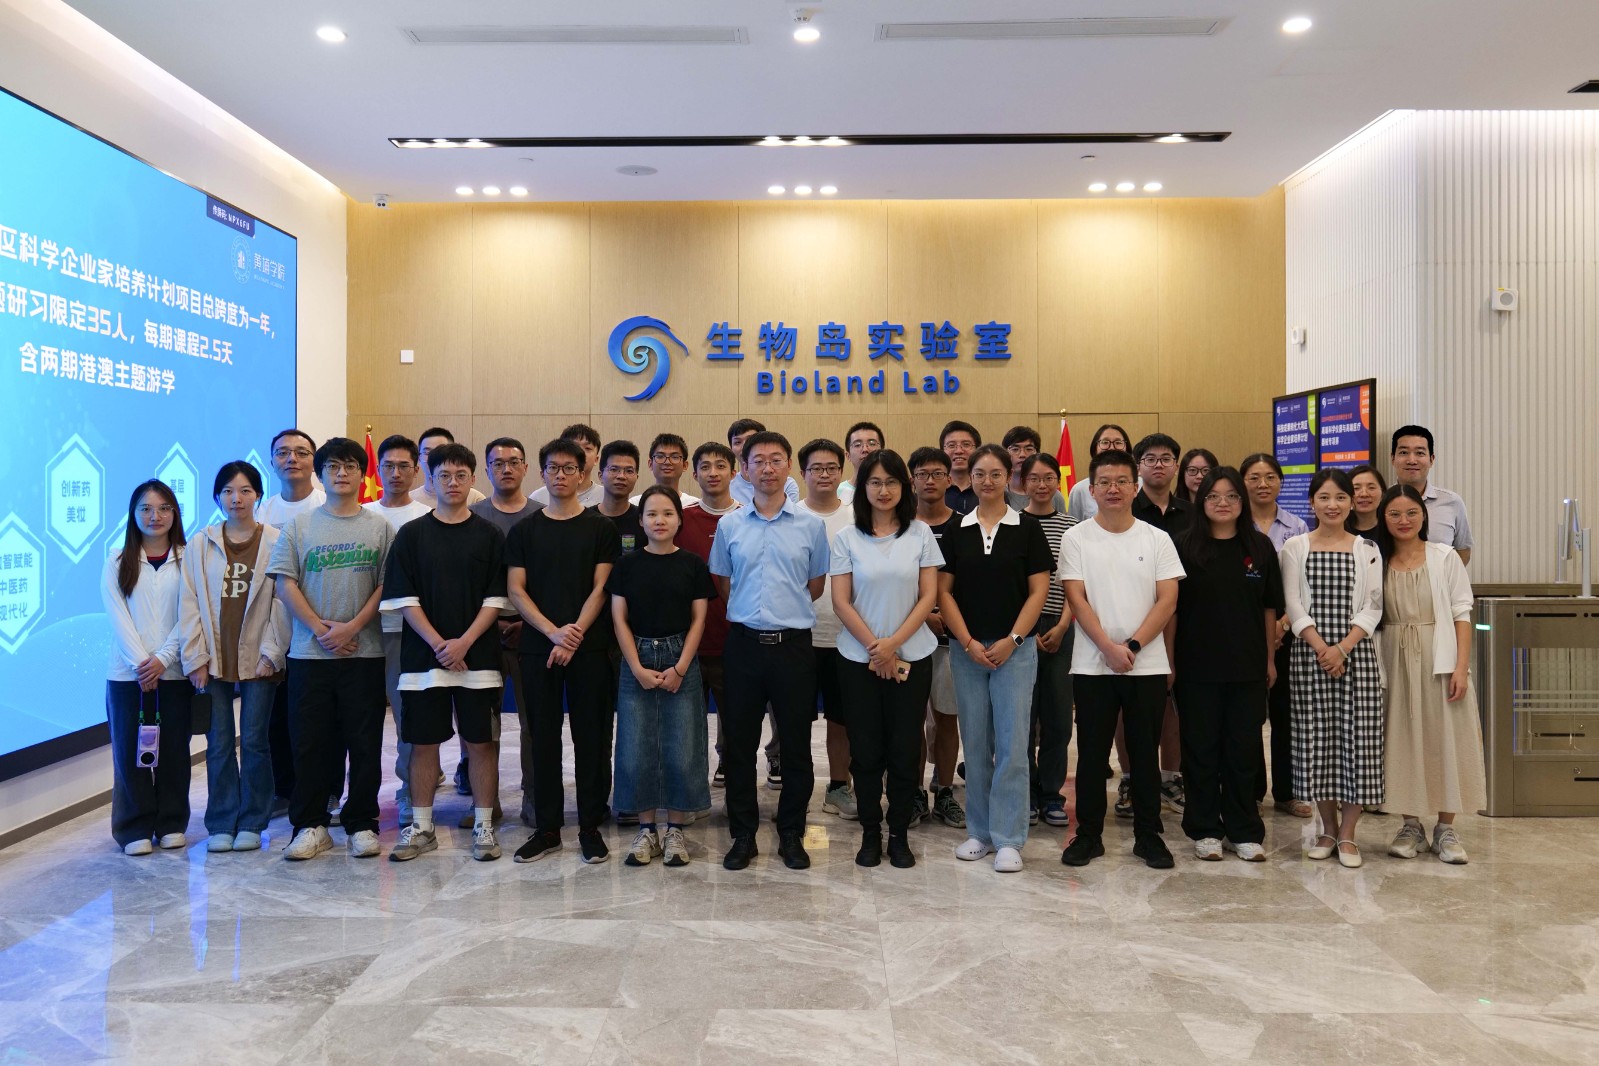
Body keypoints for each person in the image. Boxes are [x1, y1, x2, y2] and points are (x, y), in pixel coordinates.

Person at [267, 437, 395, 861]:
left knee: (365, 743)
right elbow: (285, 583)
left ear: (362, 474)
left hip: (364, 653)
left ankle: (362, 824)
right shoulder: (299, 526)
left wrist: (352, 627)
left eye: (350, 466)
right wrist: (321, 630)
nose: (342, 473)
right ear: (321, 474)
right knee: (309, 744)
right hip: (309, 655)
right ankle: (310, 825)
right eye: (333, 466)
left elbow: (386, 585)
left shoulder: (380, 527)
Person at [708, 430, 830, 871]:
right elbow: (723, 582)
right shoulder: (730, 525)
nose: (767, 468)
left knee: (796, 745)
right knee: (739, 745)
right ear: (744, 469)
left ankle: (792, 833)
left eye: (776, 459)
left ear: (789, 467)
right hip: (743, 646)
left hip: (793, 648)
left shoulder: (811, 526)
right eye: (757, 460)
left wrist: (782, 610)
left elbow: (815, 585)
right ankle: (743, 834)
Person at [384, 443, 511, 863]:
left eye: (460, 475)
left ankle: (483, 826)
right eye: (444, 475)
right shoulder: (411, 535)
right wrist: (440, 644)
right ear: (431, 480)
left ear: (472, 479)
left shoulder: (490, 535)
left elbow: (495, 599)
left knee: (481, 743)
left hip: (478, 658)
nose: (452, 483)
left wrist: (464, 643)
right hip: (424, 659)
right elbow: (404, 598)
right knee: (423, 744)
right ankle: (421, 827)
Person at [1059, 449, 1184, 870]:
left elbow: (1167, 599)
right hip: (1092, 665)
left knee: (1144, 754)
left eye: (1121, 482)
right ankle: (1089, 835)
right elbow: (1076, 598)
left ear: (1135, 487)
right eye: (1104, 482)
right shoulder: (1076, 538)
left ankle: (1148, 836)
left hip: (1146, 665)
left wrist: (1131, 646)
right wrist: (1108, 648)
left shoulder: (1156, 538)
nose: (1113, 489)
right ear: (1091, 490)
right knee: (1092, 754)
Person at [506, 438, 621, 864]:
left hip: (590, 648)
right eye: (552, 468)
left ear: (582, 474)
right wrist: (553, 633)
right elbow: (516, 590)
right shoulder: (524, 530)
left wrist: (573, 636)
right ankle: (548, 828)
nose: (560, 475)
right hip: (539, 648)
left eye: (569, 468)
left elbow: (602, 588)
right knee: (542, 737)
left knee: (591, 737)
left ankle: (590, 825)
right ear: (542, 473)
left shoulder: (600, 528)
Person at [937, 444, 1052, 873]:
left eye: (996, 474)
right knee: (976, 742)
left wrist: (1014, 639)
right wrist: (967, 642)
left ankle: (1008, 838)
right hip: (967, 651)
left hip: (1015, 652)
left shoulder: (1027, 528)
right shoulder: (957, 528)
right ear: (969, 478)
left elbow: (1039, 591)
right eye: (980, 474)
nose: (987, 481)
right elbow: (943, 592)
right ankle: (979, 832)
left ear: (1010, 478)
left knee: (1012, 745)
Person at [831, 449, 942, 868]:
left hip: (912, 656)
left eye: (891, 481)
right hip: (857, 659)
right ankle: (869, 832)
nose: (883, 490)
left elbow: (928, 596)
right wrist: (877, 650)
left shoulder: (920, 533)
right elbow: (841, 602)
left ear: (904, 486)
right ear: (862, 488)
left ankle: (898, 833)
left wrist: (893, 644)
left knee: (904, 748)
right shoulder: (847, 537)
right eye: (874, 482)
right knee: (865, 750)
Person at [1171, 468, 1282, 862]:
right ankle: (1204, 829)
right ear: (1201, 502)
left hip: (1247, 667)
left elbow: (1269, 608)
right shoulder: (1184, 546)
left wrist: (1269, 659)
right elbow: (1172, 610)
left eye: (1231, 496)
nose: (1223, 503)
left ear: (1242, 501)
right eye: (1213, 496)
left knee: (1243, 751)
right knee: (1200, 750)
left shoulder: (1260, 547)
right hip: (1196, 667)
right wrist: (1170, 662)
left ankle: (1243, 830)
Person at [179, 461, 290, 854]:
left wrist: (272, 653)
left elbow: (283, 603)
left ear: (258, 495)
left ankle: (253, 821)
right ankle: (222, 822)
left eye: (244, 490)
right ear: (217, 497)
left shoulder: (277, 540)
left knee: (256, 741)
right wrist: (195, 657)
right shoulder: (200, 543)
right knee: (219, 744)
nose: (236, 498)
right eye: (227, 491)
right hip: (213, 660)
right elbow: (189, 601)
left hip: (260, 659)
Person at [1373, 486, 1485, 865]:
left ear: (1423, 516)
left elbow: (1461, 613)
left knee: (1444, 738)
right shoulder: (1376, 559)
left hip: (1439, 658)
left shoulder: (1444, 556)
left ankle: (1446, 828)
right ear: (1384, 518)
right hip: (1393, 657)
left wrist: (1461, 668)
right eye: (1394, 514)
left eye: (1411, 513)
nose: (1403, 520)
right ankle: (1410, 826)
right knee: (1401, 739)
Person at [1279, 468, 1384, 869]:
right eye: (1324, 497)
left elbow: (1373, 605)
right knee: (1318, 741)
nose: (1332, 505)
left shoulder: (1367, 548)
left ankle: (1349, 834)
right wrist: (1323, 649)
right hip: (1310, 657)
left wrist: (1342, 648)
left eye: (1340, 497)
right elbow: (1293, 604)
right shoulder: (1295, 546)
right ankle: (1327, 829)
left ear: (1351, 503)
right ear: (1311, 503)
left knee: (1359, 742)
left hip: (1357, 656)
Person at [609, 486, 714, 868]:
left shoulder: (692, 564)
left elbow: (699, 619)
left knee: (682, 747)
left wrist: (681, 667)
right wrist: (636, 667)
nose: (659, 520)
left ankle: (675, 829)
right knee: (636, 746)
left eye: (667, 513)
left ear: (679, 520)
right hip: (636, 657)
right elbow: (619, 618)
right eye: (651, 514)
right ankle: (646, 829)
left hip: (680, 656)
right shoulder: (627, 565)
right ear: (640, 521)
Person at [103, 480, 191, 855]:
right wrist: (142, 663)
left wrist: (163, 659)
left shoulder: (189, 558)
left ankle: (171, 822)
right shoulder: (116, 560)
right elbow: (118, 617)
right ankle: (133, 827)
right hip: (128, 675)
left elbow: (191, 615)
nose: (155, 516)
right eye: (146, 508)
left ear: (175, 514)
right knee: (129, 751)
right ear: (133, 514)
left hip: (174, 672)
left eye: (164, 508)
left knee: (173, 750)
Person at [470, 438, 544, 827]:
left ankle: (534, 798)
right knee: (484, 725)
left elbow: (551, 581)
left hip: (533, 634)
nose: (506, 469)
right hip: (482, 635)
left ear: (526, 467)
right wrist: (494, 622)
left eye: (514, 462)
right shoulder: (471, 516)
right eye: (497, 463)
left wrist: (525, 622)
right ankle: (486, 803)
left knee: (534, 724)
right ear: (487, 470)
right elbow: (465, 583)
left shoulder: (542, 515)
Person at [363, 434, 433, 827]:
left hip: (406, 633)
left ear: (416, 470)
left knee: (408, 716)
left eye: (403, 466)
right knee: (360, 718)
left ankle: (408, 791)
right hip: (363, 632)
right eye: (387, 466)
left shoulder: (427, 516)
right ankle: (358, 795)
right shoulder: (362, 513)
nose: (395, 473)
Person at [1241, 452, 1312, 819]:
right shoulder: (1236, 524)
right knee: (1249, 715)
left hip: (1289, 630)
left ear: (1281, 482)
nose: (1262, 484)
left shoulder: (1297, 527)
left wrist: (1282, 624)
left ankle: (1288, 791)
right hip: (1245, 632)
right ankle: (1252, 790)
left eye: (1270, 477)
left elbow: (1304, 584)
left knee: (1286, 714)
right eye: (1254, 477)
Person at [258, 428, 325, 812]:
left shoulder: (326, 504)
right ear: (272, 462)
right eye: (283, 453)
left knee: (317, 719)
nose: (291, 459)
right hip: (271, 630)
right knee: (275, 718)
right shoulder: (262, 513)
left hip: (318, 629)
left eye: (301, 452)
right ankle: (283, 790)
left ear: (314, 461)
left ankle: (324, 790)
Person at [677, 442, 751, 788]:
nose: (713, 473)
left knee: (736, 723)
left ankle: (736, 789)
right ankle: (690, 791)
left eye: (720, 465)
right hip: (688, 644)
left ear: (734, 473)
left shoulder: (749, 518)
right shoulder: (681, 519)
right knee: (686, 727)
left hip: (734, 641)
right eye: (704, 467)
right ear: (694, 474)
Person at [797, 437, 858, 821]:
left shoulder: (857, 516)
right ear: (802, 473)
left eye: (831, 468)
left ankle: (838, 787)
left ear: (841, 471)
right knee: (795, 720)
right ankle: (797, 791)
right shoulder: (790, 516)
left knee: (841, 719)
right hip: (798, 636)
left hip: (846, 636)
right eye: (816, 468)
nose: (824, 474)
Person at [1130, 432, 1190, 815]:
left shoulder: (1192, 513)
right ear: (1139, 466)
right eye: (1150, 458)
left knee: (1174, 703)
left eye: (1166, 458)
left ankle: (1170, 778)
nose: (1158, 465)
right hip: (1134, 621)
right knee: (1130, 708)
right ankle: (1130, 779)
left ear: (1176, 466)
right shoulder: (1126, 508)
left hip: (1185, 619)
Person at [1018, 454, 1077, 827]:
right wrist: (1024, 631)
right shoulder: (1012, 523)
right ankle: (1025, 792)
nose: (1042, 485)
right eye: (1034, 478)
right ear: (1022, 483)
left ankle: (1052, 793)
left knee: (1058, 716)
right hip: (1020, 628)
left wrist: (1063, 625)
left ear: (1059, 481)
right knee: (1021, 716)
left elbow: (1077, 583)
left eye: (1049, 478)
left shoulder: (1073, 527)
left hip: (1062, 625)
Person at [909, 446, 966, 829]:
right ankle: (913, 792)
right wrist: (925, 616)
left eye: (937, 474)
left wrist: (946, 617)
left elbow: (971, 582)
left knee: (947, 719)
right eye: (922, 474)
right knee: (910, 720)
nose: (930, 481)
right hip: (909, 639)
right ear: (912, 480)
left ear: (949, 479)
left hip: (951, 641)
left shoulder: (965, 526)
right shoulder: (901, 526)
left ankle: (944, 791)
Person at [1391, 425, 1473, 565]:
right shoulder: (1380, 502)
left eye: (1420, 453)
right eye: (1404, 452)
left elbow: (1463, 550)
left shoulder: (1452, 502)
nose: (1412, 460)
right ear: (1393, 459)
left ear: (1431, 459)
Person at [727, 418, 800, 507]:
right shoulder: (727, 485)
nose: (744, 446)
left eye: (750, 440)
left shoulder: (787, 484)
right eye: (737, 442)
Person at [528, 423, 604, 508]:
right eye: (575, 447)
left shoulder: (606, 497)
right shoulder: (538, 498)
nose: (581, 453)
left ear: (596, 459)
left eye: (587, 448)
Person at [1067, 423, 1131, 522]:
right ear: (1095, 449)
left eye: (1118, 442)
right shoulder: (1079, 490)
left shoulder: (1141, 485)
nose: (1111, 447)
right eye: (1105, 442)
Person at [412, 427, 486, 508]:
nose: (433, 457)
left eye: (440, 450)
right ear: (419, 458)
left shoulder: (476, 499)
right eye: (427, 452)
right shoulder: (410, 500)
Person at [1002, 425, 1066, 514]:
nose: (1022, 455)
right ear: (1005, 453)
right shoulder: (999, 493)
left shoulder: (1053, 495)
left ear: (1038, 453)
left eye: (1029, 449)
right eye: (1015, 449)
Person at [595, 439, 644, 553]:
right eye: (614, 469)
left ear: (637, 477)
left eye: (629, 471)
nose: (621, 476)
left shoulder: (644, 520)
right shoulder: (586, 521)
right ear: (600, 476)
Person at [632, 433, 700, 508]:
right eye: (660, 456)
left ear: (685, 465)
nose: (667, 462)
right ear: (650, 464)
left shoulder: (694, 505)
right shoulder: (635, 504)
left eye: (674, 457)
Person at [940, 420, 981, 514]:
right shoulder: (934, 489)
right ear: (942, 451)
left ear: (978, 450)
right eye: (951, 445)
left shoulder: (988, 487)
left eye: (966, 444)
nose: (959, 451)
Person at [838, 420, 884, 504]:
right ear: (848, 455)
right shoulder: (837, 492)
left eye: (872, 443)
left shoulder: (890, 491)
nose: (865, 449)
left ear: (882, 452)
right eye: (857, 445)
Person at [1349, 464, 1388, 538]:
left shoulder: (1391, 529)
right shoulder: (1338, 530)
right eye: (1356, 488)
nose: (1364, 494)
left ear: (1382, 494)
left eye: (1371, 488)